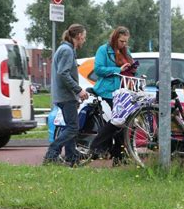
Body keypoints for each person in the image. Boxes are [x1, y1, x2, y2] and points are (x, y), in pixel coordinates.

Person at [90, 26, 136, 166]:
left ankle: (119, 157)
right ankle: (96, 146)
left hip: (121, 91)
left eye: (126, 41)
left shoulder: (125, 51)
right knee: (116, 121)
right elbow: (98, 69)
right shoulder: (103, 50)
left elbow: (130, 66)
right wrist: (117, 69)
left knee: (122, 124)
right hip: (107, 91)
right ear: (115, 38)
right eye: (122, 41)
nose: (124, 44)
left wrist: (132, 68)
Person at [43, 24, 89, 167]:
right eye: (84, 37)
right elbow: (63, 73)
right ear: (79, 36)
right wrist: (78, 90)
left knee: (70, 127)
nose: (84, 40)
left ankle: (72, 158)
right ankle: (52, 152)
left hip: (65, 95)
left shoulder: (66, 49)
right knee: (73, 128)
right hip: (66, 96)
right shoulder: (67, 50)